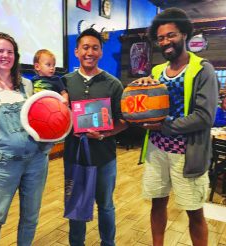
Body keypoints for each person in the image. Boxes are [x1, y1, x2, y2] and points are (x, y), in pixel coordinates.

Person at [134, 8, 219, 246]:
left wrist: (165, 125)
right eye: (161, 38)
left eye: (171, 35)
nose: (165, 41)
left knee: (194, 211)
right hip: (156, 150)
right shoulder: (157, 71)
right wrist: (140, 90)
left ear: (184, 34)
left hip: (187, 154)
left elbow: (204, 117)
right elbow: (146, 106)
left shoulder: (203, 69)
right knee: (157, 203)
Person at [0, 32, 52, 245]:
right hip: (3, 165)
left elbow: (37, 121)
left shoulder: (26, 85)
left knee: (31, 217)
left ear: (15, 55)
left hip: (36, 162)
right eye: (0, 51)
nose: (5, 55)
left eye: (10, 51)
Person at [62, 28, 127, 246]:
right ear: (76, 51)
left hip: (104, 156)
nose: (90, 52)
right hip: (74, 156)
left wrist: (104, 134)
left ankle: (108, 243)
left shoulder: (113, 84)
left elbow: (123, 121)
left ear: (101, 52)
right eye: (85, 47)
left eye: (95, 48)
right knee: (76, 204)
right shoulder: (65, 82)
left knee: (106, 205)